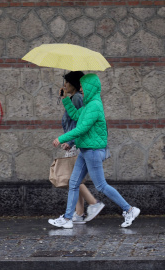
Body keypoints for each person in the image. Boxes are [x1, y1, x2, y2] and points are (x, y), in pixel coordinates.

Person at [49, 73, 140, 229]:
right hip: (86, 150)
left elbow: (82, 128)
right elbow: (75, 115)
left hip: (92, 150)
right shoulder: (88, 105)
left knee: (101, 185)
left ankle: (129, 209)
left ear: (91, 87)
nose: (81, 89)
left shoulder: (95, 105)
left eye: (83, 86)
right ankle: (67, 218)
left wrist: (63, 138)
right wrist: (65, 99)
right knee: (73, 183)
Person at [60, 71, 105, 224]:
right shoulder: (73, 98)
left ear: (72, 83)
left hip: (76, 144)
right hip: (72, 143)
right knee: (73, 181)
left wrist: (70, 141)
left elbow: (80, 123)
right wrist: (65, 99)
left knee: (75, 181)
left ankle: (93, 203)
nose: (64, 85)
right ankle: (78, 213)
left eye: (66, 82)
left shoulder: (78, 99)